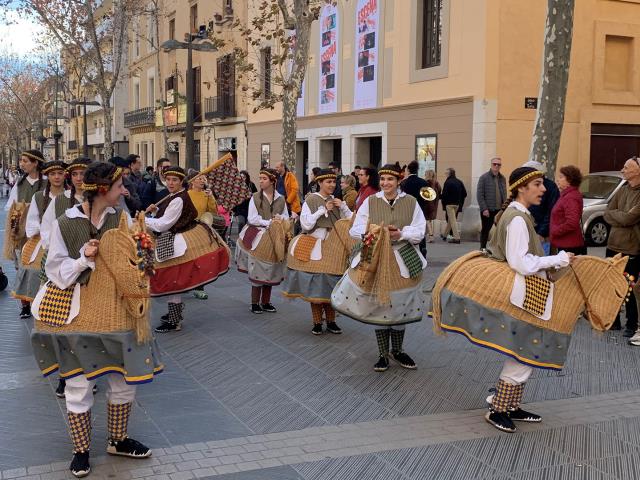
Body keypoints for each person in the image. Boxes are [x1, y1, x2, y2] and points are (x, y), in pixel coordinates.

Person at [31, 161, 158, 477]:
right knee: (77, 382)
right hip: (78, 313)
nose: (124, 191)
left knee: (122, 379)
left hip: (119, 311)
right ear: (103, 190)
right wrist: (83, 259)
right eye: (119, 187)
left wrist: (143, 250)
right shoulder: (66, 222)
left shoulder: (122, 218)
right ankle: (81, 451)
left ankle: (118, 439)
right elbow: (54, 271)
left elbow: (138, 262)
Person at [482, 167, 573, 432]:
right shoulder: (518, 219)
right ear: (522, 187)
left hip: (527, 293)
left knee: (525, 352)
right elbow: (520, 262)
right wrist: (559, 258)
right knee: (523, 352)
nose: (543, 189)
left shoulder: (520, 215)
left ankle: (511, 405)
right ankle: (498, 408)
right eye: (537, 183)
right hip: (523, 295)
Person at [333, 163, 427, 372]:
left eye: (390, 180)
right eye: (383, 179)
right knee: (379, 305)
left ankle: (398, 350)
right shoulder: (370, 201)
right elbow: (356, 229)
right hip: (375, 255)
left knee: (400, 304)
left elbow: (420, 231)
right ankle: (383, 353)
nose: (386, 183)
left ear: (399, 181)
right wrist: (375, 231)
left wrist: (400, 234)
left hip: (402, 256)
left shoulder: (411, 202)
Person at [145, 166, 229, 332]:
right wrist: (155, 213)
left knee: (173, 280)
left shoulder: (178, 199)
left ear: (181, 181)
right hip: (173, 238)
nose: (170, 182)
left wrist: (144, 219)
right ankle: (174, 314)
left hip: (177, 242)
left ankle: (174, 321)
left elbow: (164, 225)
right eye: (168, 179)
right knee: (173, 280)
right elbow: (164, 219)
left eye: (174, 180)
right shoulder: (174, 196)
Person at [40, 157, 91, 399]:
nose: (80, 178)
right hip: (67, 273)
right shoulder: (60, 202)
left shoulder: (101, 202)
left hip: (93, 273)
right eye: (76, 174)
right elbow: (47, 230)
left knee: (91, 326)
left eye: (84, 174)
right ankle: (66, 375)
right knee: (64, 326)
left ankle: (92, 371)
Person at [282, 168, 353, 334]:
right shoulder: (311, 200)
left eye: (334, 182)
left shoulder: (336, 200)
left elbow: (351, 221)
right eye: (328, 182)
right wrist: (322, 210)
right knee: (317, 284)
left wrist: (342, 207)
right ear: (320, 183)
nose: (332, 185)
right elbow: (306, 225)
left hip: (334, 246)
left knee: (332, 282)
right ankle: (316, 322)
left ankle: (331, 321)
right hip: (316, 243)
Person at [235, 168, 289, 313]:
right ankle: (254, 303)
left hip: (275, 236)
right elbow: (252, 218)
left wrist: (281, 219)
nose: (260, 181)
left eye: (264, 178)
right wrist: (269, 222)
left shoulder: (281, 198)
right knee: (257, 268)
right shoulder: (255, 197)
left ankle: (266, 302)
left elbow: (285, 215)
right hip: (258, 235)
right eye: (260, 178)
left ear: (272, 181)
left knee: (271, 269)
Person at [5, 149, 46, 318]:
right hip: (23, 233)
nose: (21, 164)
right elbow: (10, 206)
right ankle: (25, 305)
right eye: (21, 160)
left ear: (35, 163)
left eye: (25, 161)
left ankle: (41, 301)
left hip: (43, 231)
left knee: (41, 268)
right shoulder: (20, 183)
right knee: (23, 267)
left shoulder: (46, 182)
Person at [603, 157, 640, 338]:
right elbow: (607, 213)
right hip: (613, 244)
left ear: (637, 171)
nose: (623, 170)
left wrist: (618, 216)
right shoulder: (622, 189)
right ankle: (614, 321)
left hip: (632, 248)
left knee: (630, 287)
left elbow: (629, 219)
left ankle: (631, 324)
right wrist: (620, 216)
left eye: (626, 167)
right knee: (612, 285)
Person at [187, 170, 219, 300]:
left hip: (203, 230)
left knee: (201, 259)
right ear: (192, 181)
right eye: (199, 178)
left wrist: (211, 197)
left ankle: (199, 287)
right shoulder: (187, 194)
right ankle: (187, 283)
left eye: (203, 178)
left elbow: (213, 211)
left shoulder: (207, 195)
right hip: (189, 229)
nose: (202, 181)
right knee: (189, 259)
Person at [522, 160, 560, 252]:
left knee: (543, 262)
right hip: (528, 232)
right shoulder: (526, 185)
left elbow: (551, 212)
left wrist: (542, 233)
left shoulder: (550, 187)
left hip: (543, 235)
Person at [550, 165, 586, 256]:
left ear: (569, 180)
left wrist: (555, 231)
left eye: (561, 177)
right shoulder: (566, 195)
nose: (558, 179)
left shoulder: (570, 197)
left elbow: (572, 222)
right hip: (565, 243)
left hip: (569, 245)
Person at [476, 157, 507, 250]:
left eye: (499, 164)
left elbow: (504, 193)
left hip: (500, 210)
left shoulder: (502, 178)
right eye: (494, 164)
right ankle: (483, 248)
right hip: (488, 209)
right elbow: (480, 194)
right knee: (486, 229)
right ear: (491, 165)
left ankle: (499, 249)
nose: (496, 166)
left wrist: (505, 207)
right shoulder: (484, 178)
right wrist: (484, 208)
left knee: (501, 230)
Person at [400, 160, 430, 255]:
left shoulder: (404, 183)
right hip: (421, 208)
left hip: (406, 209)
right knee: (420, 228)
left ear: (408, 170)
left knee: (408, 229)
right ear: (417, 170)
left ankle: (410, 250)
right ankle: (423, 247)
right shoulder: (423, 182)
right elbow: (428, 198)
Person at [440, 167, 467, 243]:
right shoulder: (459, 182)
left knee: (453, 221)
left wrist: (440, 198)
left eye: (446, 173)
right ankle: (445, 235)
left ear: (449, 174)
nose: (445, 174)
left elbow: (444, 194)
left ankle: (457, 238)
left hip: (449, 205)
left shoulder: (447, 182)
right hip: (457, 204)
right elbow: (465, 193)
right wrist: (459, 201)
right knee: (450, 220)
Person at [424, 170, 441, 243]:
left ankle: (431, 236)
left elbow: (424, 194)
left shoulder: (426, 183)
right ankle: (425, 234)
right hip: (434, 203)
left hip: (427, 204)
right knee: (428, 220)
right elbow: (440, 192)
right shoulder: (436, 183)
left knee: (427, 220)